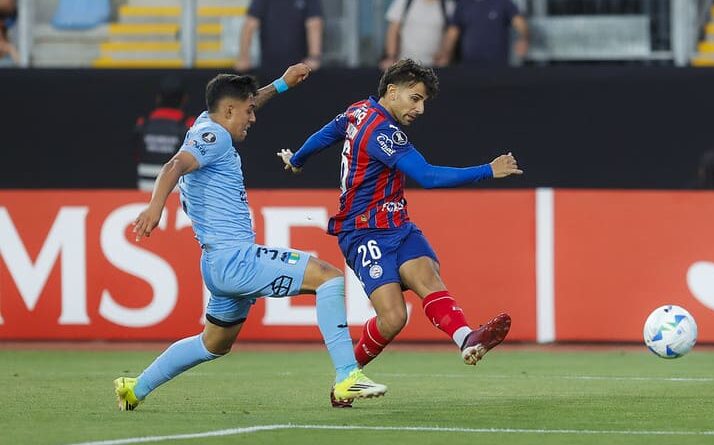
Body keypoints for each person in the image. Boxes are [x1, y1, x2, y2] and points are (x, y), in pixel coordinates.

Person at [114, 64, 387, 411]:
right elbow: (173, 166)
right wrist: (155, 207)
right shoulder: (215, 137)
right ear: (229, 111)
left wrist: (282, 84)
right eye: (248, 112)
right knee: (328, 277)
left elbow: (246, 100)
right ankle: (348, 376)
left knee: (213, 344)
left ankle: (135, 388)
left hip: (217, 264)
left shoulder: (207, 121)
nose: (253, 118)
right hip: (236, 260)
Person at [278, 59, 522, 403]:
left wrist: (297, 160)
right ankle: (346, 377)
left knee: (427, 276)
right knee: (393, 319)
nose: (420, 109)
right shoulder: (383, 132)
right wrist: (487, 170)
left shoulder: (358, 111)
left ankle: (466, 338)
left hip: (398, 225)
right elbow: (428, 176)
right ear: (392, 91)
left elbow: (326, 134)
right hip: (363, 231)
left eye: (423, 101)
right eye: (415, 98)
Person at [133, 75, 194, 191]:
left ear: (158, 98)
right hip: (177, 194)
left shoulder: (142, 125)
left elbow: (136, 156)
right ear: (184, 99)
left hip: (144, 192)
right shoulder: (190, 126)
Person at [235, 0, 323, 75]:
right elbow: (250, 24)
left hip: (287, 68)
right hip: (296, 69)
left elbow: (314, 24)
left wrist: (244, 58)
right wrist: (314, 58)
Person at [437, 0, 529, 67]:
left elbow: (520, 23)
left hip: (497, 67)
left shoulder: (502, 2)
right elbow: (452, 34)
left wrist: (524, 39)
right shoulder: (462, 4)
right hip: (468, 66)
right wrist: (445, 54)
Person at [380, 0, 454, 70]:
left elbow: (450, 33)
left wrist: (444, 56)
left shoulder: (448, 4)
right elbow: (393, 30)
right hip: (405, 65)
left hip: (434, 67)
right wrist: (391, 57)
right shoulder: (403, 2)